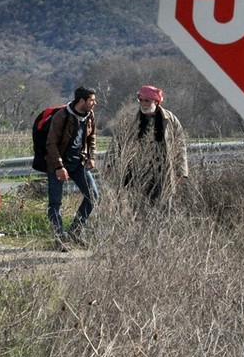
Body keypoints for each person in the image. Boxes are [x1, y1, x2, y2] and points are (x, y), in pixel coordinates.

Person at [106, 85, 189, 211]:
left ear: (156, 101)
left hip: (162, 172)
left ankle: (160, 231)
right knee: (137, 209)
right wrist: (109, 165)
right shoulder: (130, 119)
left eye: (147, 101)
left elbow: (180, 145)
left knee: (163, 209)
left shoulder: (169, 119)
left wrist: (181, 171)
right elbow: (116, 143)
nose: (143, 104)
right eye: (141, 100)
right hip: (135, 172)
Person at [45, 86, 99, 250]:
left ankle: (76, 230)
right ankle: (59, 239)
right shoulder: (62, 116)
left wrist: (91, 156)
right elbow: (51, 143)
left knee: (93, 196)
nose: (94, 103)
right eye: (91, 100)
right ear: (81, 101)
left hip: (78, 163)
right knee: (55, 203)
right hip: (57, 164)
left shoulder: (89, 115)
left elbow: (92, 138)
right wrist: (59, 166)